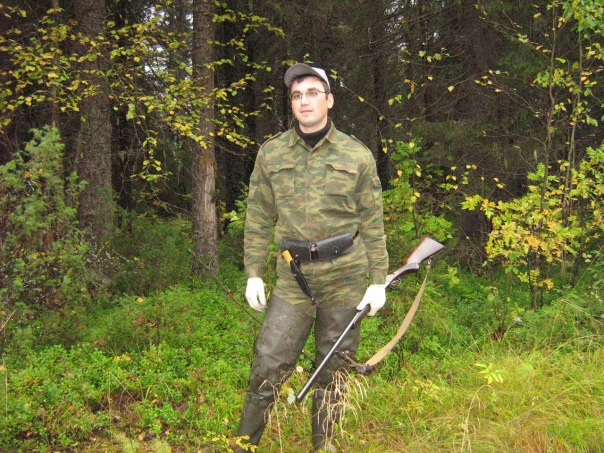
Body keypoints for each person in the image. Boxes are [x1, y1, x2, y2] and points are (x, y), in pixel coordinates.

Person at [234, 63, 388, 452]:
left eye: (313, 93)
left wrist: (378, 281)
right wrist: (253, 272)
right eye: (297, 95)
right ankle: (243, 446)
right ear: (292, 103)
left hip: (344, 276)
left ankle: (325, 447)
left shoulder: (356, 155)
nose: (304, 101)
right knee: (268, 364)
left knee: (334, 370)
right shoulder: (272, 153)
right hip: (293, 277)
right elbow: (258, 216)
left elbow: (372, 222)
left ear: (329, 100)